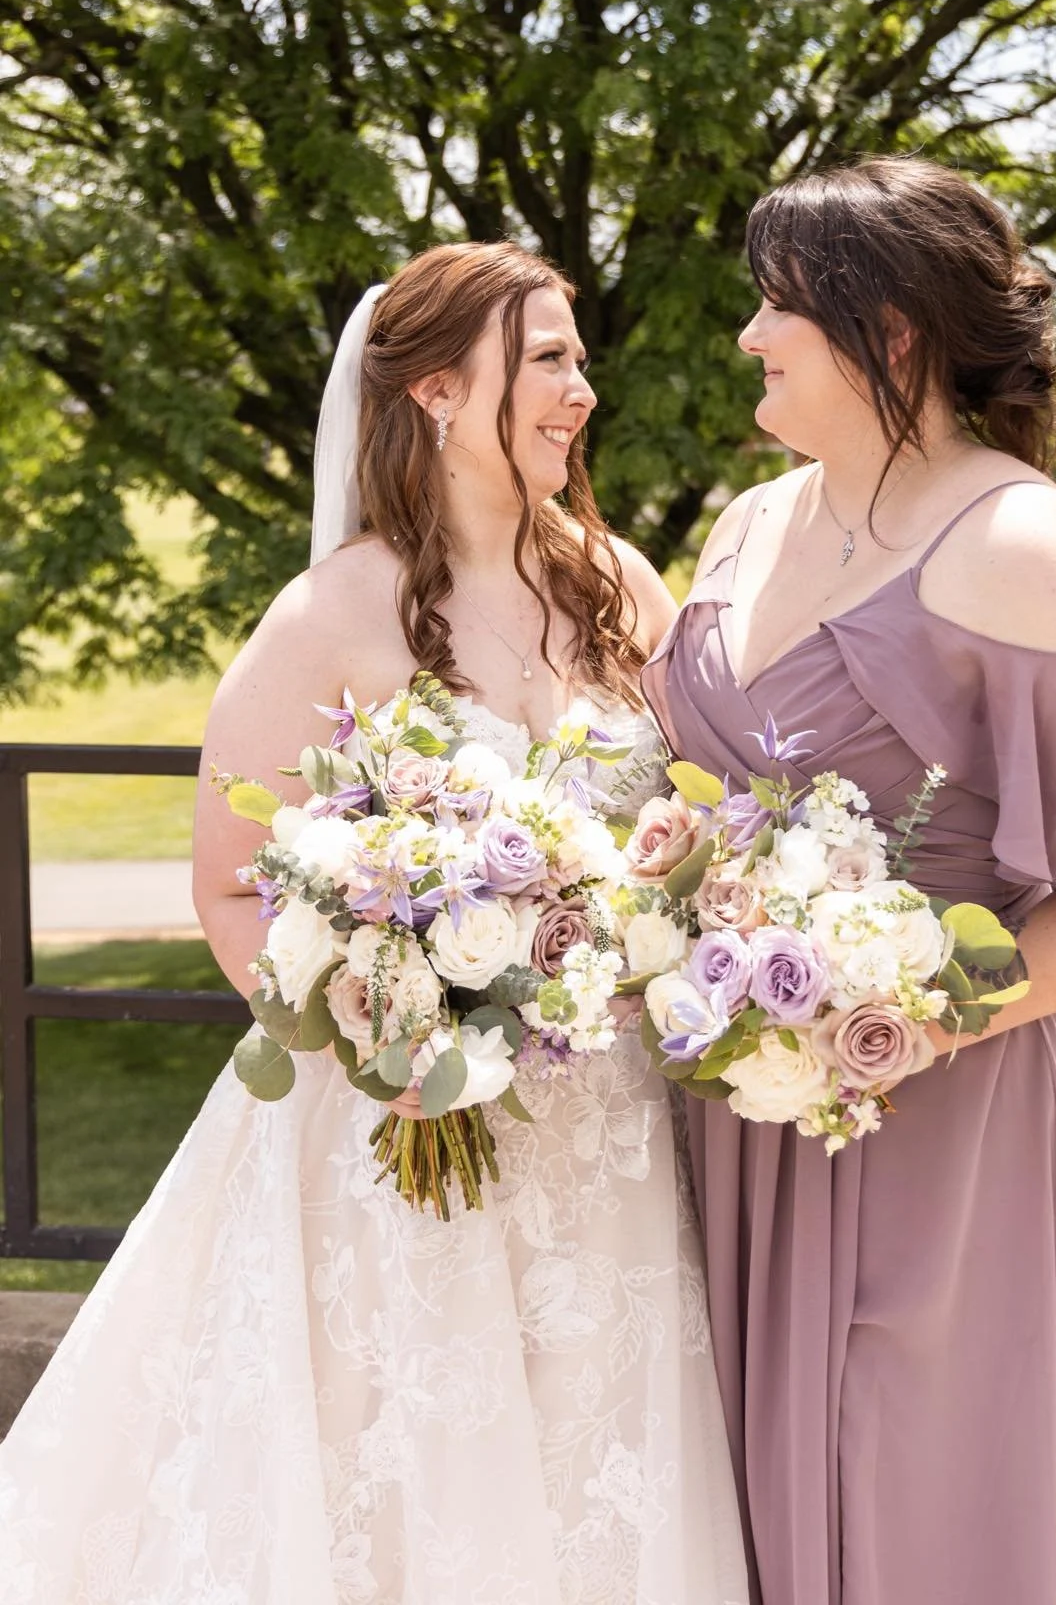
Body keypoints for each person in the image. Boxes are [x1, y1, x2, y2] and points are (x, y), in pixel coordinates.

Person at [0, 242, 749, 1605]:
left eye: (578, 358)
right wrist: (387, 1035)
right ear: (437, 392)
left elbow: (694, 806)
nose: (581, 387)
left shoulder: (623, 584)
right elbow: (235, 885)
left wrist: (672, 865)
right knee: (402, 1465)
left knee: (596, 1441)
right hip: (397, 1123)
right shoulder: (332, 612)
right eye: (547, 358)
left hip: (605, 1126)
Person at [643, 158, 1056, 1605]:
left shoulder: (1020, 543)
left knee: (902, 1483)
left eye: (775, 306)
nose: (746, 338)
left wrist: (912, 1019)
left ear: (894, 334)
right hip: (721, 1118)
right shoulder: (743, 524)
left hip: (922, 1123)